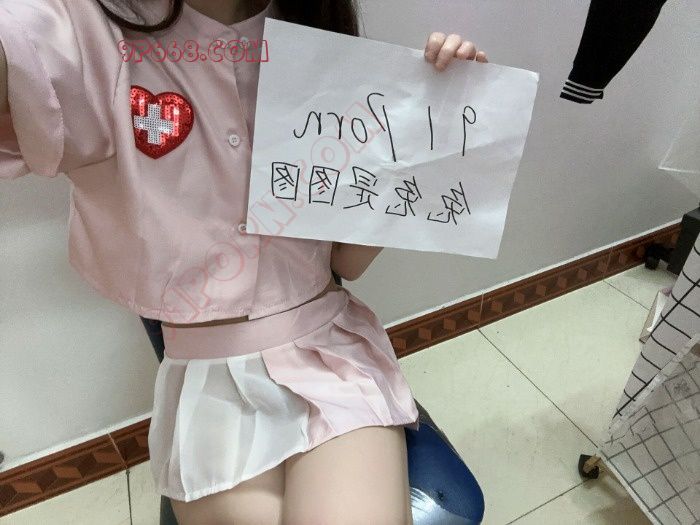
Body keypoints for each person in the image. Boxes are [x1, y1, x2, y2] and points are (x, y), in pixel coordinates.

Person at [0, 1, 487, 523]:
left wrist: (422, 140)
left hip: (329, 357)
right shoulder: (76, 28)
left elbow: (347, 260)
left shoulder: (312, 31)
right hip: (205, 378)